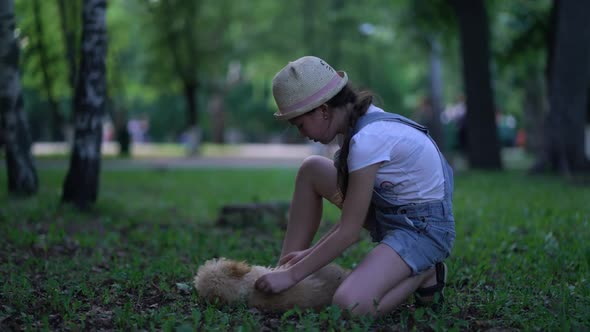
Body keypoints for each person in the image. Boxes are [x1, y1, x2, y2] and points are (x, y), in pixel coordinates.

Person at [254, 56, 456, 317]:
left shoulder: (367, 140)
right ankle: (281, 270)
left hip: (422, 229)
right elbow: (353, 213)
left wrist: (295, 274)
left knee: (349, 306)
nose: (302, 133)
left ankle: (428, 271)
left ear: (323, 110)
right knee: (312, 169)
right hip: (390, 212)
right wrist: (303, 258)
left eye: (300, 124)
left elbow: (348, 231)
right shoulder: (352, 127)